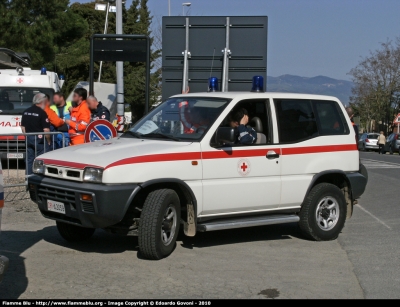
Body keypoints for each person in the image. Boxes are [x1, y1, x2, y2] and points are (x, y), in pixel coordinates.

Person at [21, 93, 51, 175]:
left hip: (29, 138)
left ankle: (28, 178)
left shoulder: (26, 111)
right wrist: (48, 140)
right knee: (41, 159)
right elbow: (46, 129)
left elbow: (23, 127)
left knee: (29, 159)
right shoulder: (42, 113)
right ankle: (39, 179)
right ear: (42, 101)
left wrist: (26, 136)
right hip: (39, 140)